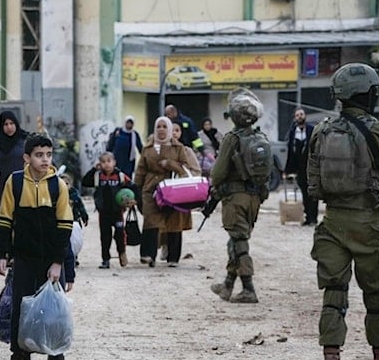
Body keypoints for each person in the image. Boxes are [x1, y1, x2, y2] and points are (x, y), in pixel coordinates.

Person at [306, 63, 379, 360]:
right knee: (377, 298)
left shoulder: (321, 130)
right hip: (369, 224)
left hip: (332, 222)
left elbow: (312, 185)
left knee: (333, 297)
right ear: (369, 93)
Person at [0, 133, 74, 360]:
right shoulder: (15, 183)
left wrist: (59, 262)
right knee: (22, 306)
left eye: (48, 155)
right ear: (27, 157)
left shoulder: (57, 185)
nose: (45, 160)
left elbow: (65, 225)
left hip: (50, 260)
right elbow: (5, 219)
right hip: (24, 258)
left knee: (54, 311)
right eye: (39, 155)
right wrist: (2, 253)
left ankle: (56, 357)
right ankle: (19, 356)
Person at [209, 90, 271, 304]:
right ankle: (227, 284)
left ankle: (248, 288)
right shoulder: (260, 136)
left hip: (235, 198)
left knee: (239, 242)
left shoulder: (232, 139)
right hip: (254, 198)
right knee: (236, 240)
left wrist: (214, 187)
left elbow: (217, 173)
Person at [134, 118, 200, 267]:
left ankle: (173, 257)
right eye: (159, 126)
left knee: (173, 222)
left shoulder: (178, 148)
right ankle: (148, 255)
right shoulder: (148, 148)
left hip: (173, 189)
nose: (161, 130)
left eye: (164, 127)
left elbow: (185, 168)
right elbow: (141, 170)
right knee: (150, 220)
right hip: (151, 189)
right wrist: (136, 188)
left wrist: (171, 164)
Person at [82, 151, 138, 269]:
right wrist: (93, 169)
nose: (106, 164)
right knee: (105, 236)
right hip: (104, 212)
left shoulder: (120, 176)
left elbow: (133, 187)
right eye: (103, 162)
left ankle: (122, 253)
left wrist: (133, 199)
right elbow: (85, 182)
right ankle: (105, 259)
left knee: (120, 234)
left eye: (109, 161)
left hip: (117, 211)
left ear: (114, 162)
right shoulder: (98, 176)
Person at [284, 107, 318, 226]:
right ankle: (308, 217)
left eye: (301, 114)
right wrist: (288, 170)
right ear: (295, 118)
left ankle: (313, 218)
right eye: (297, 115)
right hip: (300, 168)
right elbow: (290, 152)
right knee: (304, 192)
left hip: (311, 167)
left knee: (313, 193)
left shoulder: (311, 130)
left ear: (305, 116)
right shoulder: (293, 132)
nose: (300, 116)